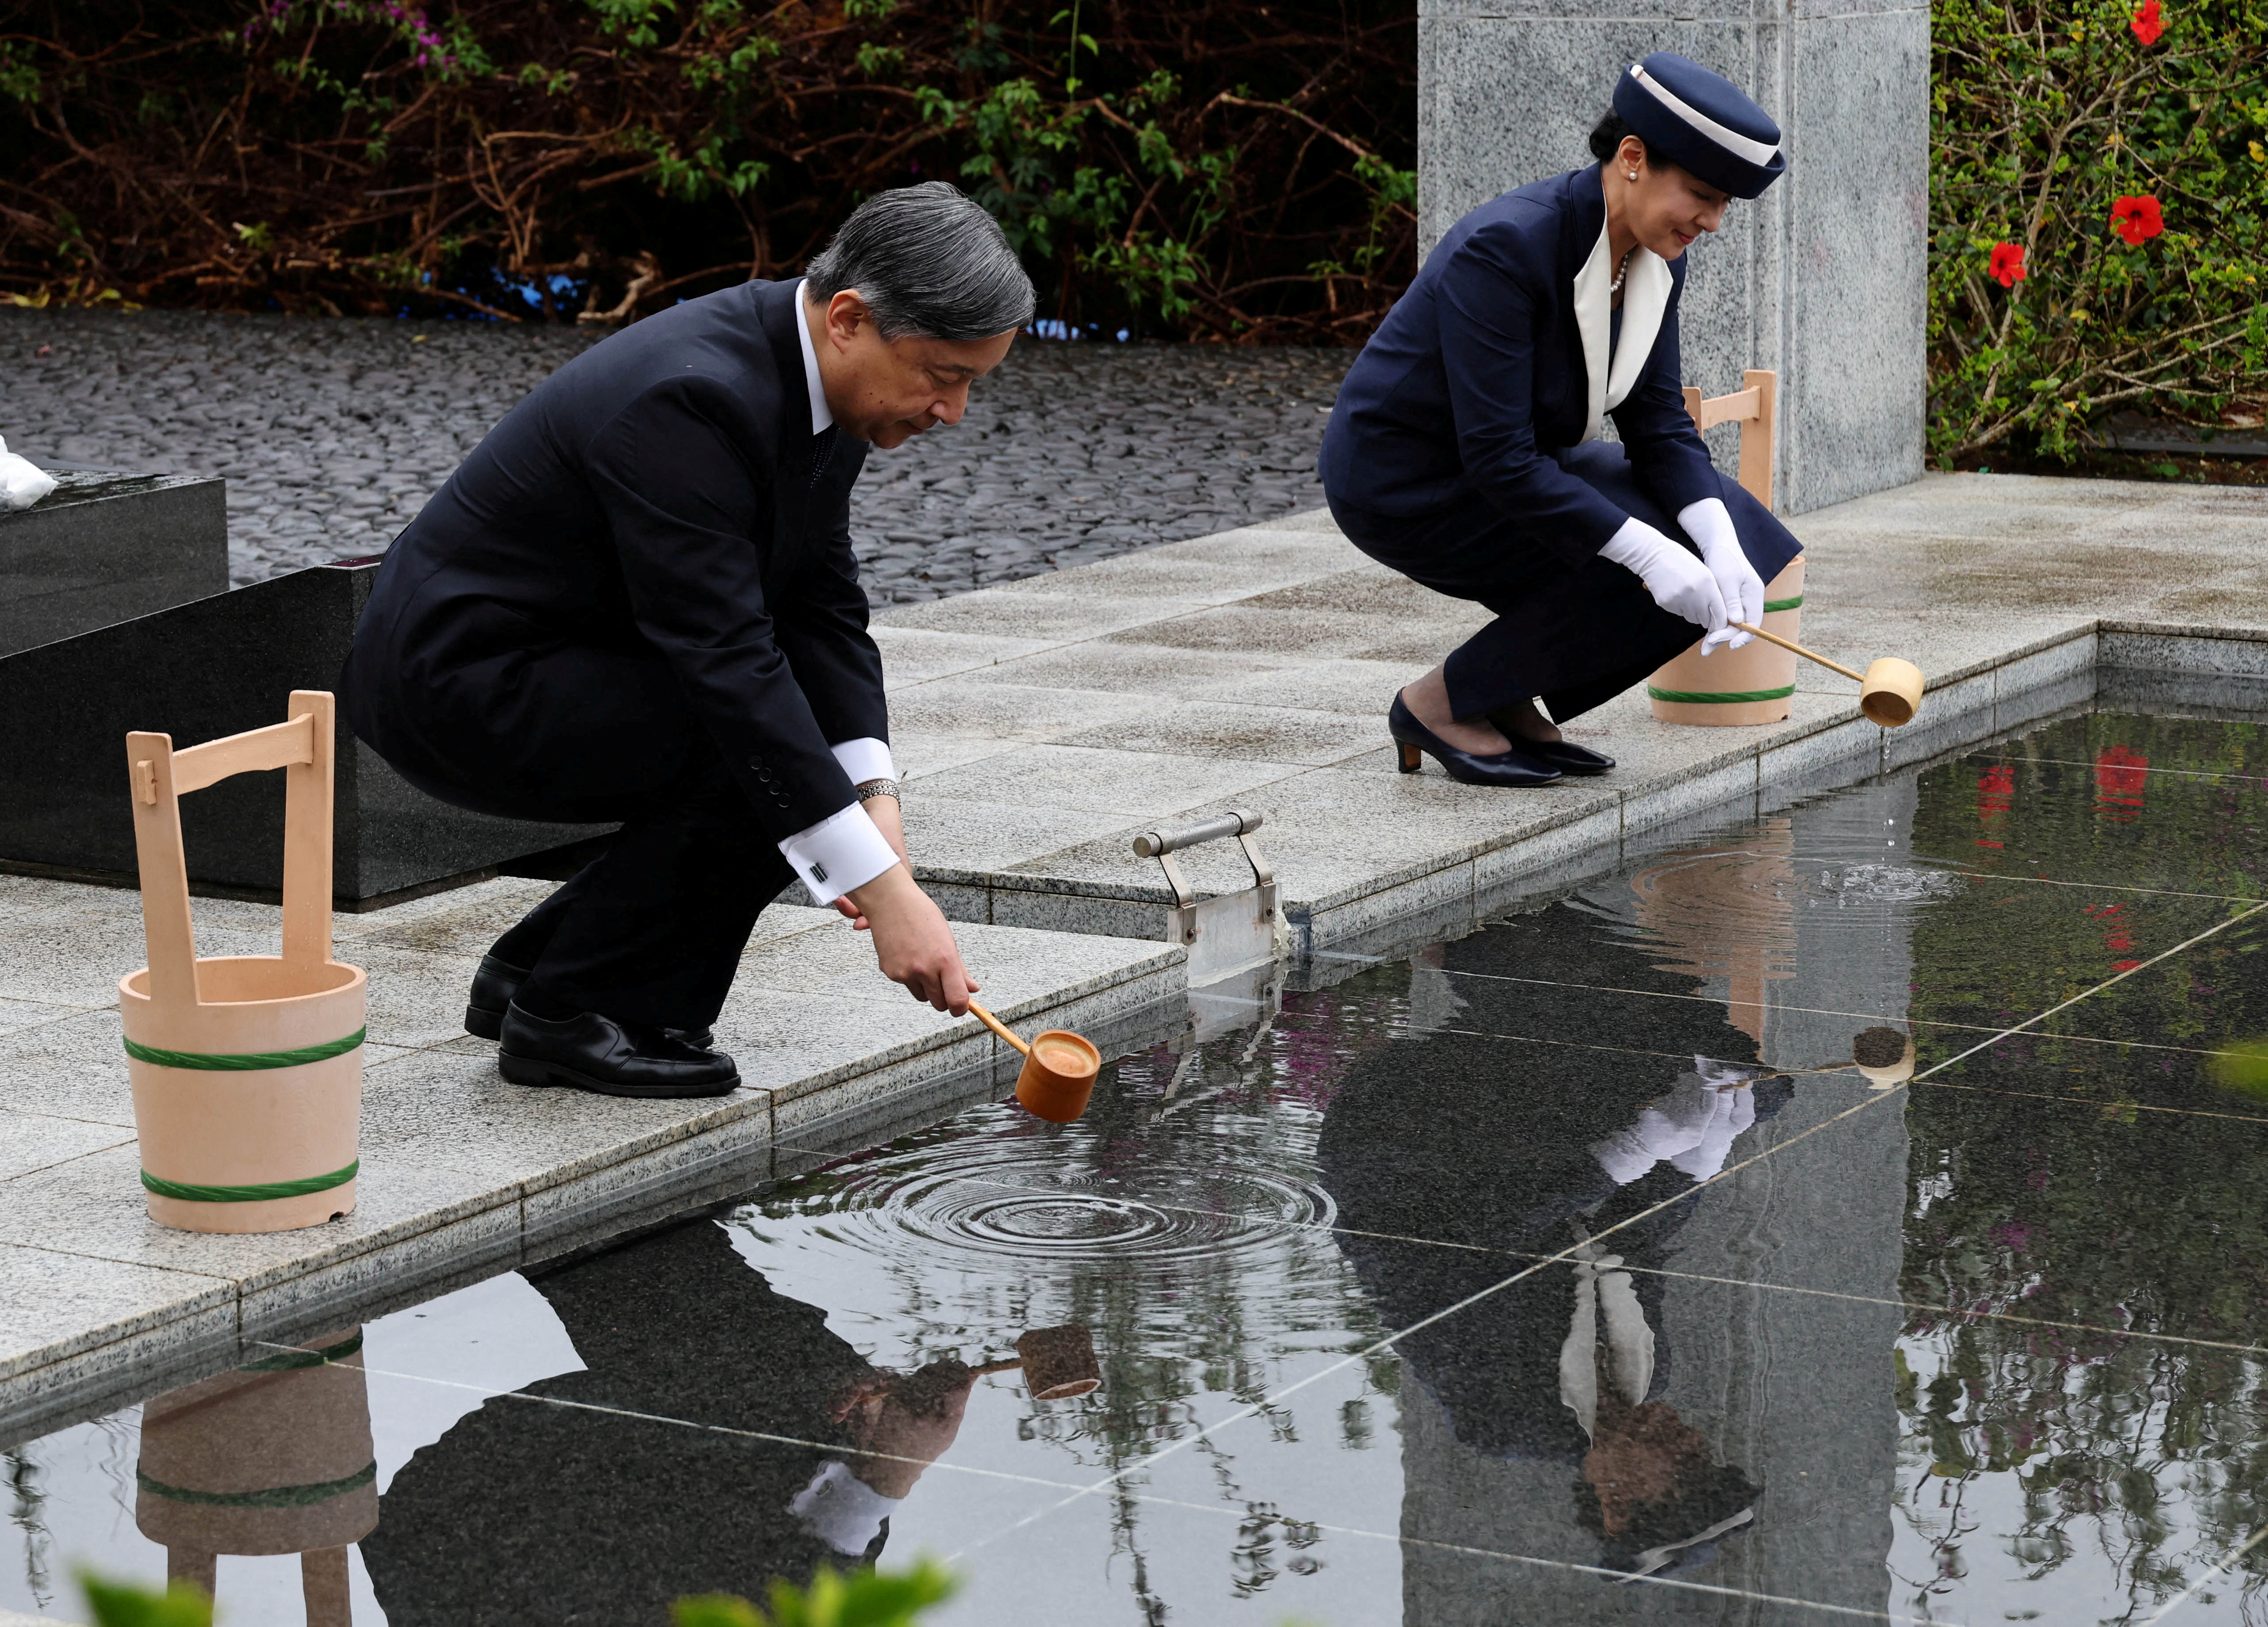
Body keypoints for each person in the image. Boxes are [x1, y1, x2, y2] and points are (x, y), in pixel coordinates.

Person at [339, 184, 1034, 1098]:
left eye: (971, 383)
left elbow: (820, 603)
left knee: (797, 761)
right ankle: (575, 1018)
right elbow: (729, 667)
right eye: (943, 376)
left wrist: (875, 796)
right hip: (457, 682)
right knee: (758, 756)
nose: (952, 411)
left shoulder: (826, 381)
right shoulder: (692, 398)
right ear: (848, 318)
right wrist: (885, 895)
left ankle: (539, 967)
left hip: (565, 651)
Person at [1319, 53, 1801, 787]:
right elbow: (1499, 458)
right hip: (1406, 482)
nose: (1713, 220)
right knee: (1638, 549)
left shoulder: (1657, 258)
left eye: (1725, 202)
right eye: (1703, 194)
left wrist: (1718, 544)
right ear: (1632, 158)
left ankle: (1503, 695)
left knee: (1736, 529)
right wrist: (1650, 553)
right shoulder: (1507, 246)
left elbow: (1660, 426)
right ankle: (1439, 704)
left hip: (1514, 468)